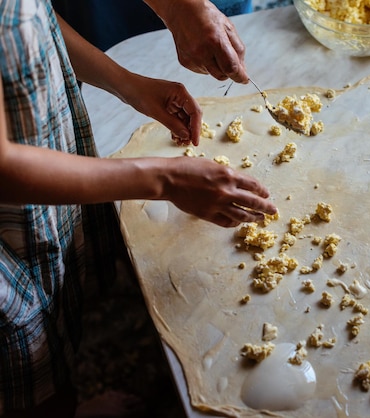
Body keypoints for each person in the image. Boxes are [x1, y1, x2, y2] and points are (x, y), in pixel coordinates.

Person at [0, 0, 276, 416]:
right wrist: (166, 180)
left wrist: (127, 84)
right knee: (25, 370)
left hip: (40, 160)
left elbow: (32, 17)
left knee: (56, 321)